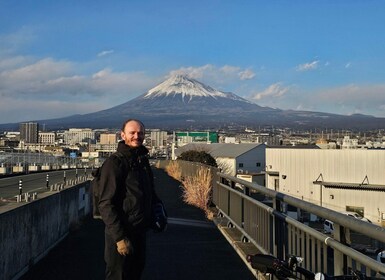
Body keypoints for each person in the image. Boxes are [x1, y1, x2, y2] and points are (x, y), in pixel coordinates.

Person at [98, 119, 167, 280]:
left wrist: (159, 213)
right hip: (121, 234)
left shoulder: (142, 161)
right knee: (118, 275)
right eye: (132, 133)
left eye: (141, 133)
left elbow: (150, 193)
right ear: (123, 135)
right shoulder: (114, 163)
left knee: (135, 273)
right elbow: (105, 203)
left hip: (139, 232)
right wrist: (119, 238)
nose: (137, 136)